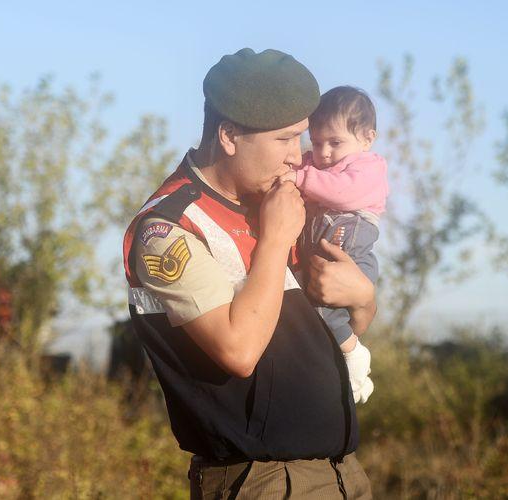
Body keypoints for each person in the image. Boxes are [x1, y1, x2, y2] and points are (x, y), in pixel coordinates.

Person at [121, 48, 375, 499]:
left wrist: (363, 299)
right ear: (230, 135)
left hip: (341, 476)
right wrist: (276, 241)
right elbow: (238, 351)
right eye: (285, 140)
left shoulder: (277, 202)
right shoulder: (169, 229)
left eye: (303, 138)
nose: (299, 157)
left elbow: (341, 328)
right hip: (263, 483)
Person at [279, 86, 387, 405]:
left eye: (336, 143)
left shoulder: (369, 168)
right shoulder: (318, 163)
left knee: (324, 309)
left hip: (348, 233)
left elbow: (340, 193)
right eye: (316, 141)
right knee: (308, 300)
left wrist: (298, 179)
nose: (324, 152)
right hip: (325, 233)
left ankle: (354, 358)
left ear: (367, 139)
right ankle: (337, 366)